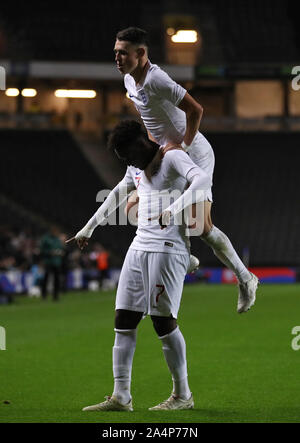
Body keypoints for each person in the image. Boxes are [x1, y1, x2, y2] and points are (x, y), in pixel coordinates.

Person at [67, 119, 213, 411]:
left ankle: (183, 395)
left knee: (162, 321)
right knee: (123, 319)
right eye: (123, 159)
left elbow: (201, 181)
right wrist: (89, 228)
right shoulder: (134, 165)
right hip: (140, 244)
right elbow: (119, 192)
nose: (128, 162)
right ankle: (121, 396)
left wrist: (173, 209)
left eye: (129, 154)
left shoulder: (172, 156)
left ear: (142, 142)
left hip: (168, 247)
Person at [113, 27, 259, 312]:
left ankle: (246, 279)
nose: (117, 58)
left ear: (141, 53)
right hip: (166, 152)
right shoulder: (130, 82)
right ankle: (186, 256)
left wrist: (183, 147)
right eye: (115, 53)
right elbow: (153, 123)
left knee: (202, 227)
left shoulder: (156, 79)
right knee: (133, 206)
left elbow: (196, 110)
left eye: (123, 53)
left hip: (193, 152)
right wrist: (151, 155)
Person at [40, 225, 64, 301]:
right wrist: (50, 252)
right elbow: (42, 250)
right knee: (46, 278)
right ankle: (44, 294)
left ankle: (55, 295)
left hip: (57, 262)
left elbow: (61, 248)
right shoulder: (46, 239)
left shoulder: (58, 239)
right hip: (48, 262)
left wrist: (61, 252)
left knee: (56, 279)